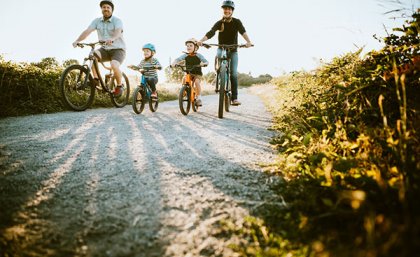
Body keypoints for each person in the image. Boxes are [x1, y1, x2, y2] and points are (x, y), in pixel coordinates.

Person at [197, 0, 253, 106]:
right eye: (225, 9)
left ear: (232, 11)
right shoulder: (219, 23)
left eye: (229, 9)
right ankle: (219, 72)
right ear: (222, 10)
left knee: (234, 73)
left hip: (233, 50)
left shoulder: (237, 22)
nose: (227, 11)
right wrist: (201, 40)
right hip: (221, 48)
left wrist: (248, 42)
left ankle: (234, 98)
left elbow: (242, 31)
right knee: (219, 55)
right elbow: (211, 32)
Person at [72, 0, 126, 97]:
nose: (106, 9)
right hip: (105, 49)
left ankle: (119, 85)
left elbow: (118, 32)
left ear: (112, 10)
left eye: (108, 7)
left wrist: (112, 39)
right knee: (92, 56)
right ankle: (96, 80)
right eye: (104, 7)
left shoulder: (117, 21)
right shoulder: (97, 21)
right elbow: (87, 31)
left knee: (114, 65)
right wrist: (77, 40)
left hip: (118, 49)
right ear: (101, 9)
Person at [171, 38, 209, 106]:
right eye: (187, 46)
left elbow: (206, 61)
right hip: (189, 73)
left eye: (191, 45)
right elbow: (178, 59)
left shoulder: (198, 55)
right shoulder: (185, 55)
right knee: (184, 79)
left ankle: (199, 98)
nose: (188, 47)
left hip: (197, 74)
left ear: (196, 47)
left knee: (197, 82)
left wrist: (204, 63)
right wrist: (174, 63)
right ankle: (184, 92)